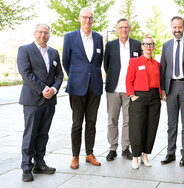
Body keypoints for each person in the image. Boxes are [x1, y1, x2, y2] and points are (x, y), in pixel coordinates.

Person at [17, 24, 64, 182]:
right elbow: (26, 73)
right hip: (33, 99)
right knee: (30, 134)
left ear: (49, 35)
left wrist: (54, 90)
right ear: (34, 33)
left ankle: (39, 163)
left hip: (50, 101)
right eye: (40, 32)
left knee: (44, 133)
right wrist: (44, 89)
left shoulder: (54, 52)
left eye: (46, 32)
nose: (43, 35)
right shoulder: (25, 50)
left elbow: (59, 75)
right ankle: (26, 167)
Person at [62, 7, 104, 169]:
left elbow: (97, 62)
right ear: (79, 19)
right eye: (85, 17)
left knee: (91, 123)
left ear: (93, 20)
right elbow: (66, 61)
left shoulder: (99, 38)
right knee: (77, 123)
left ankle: (89, 153)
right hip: (77, 86)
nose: (88, 20)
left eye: (90, 18)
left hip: (95, 86)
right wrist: (76, 76)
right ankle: (75, 156)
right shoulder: (70, 37)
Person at [160, 16, 184, 166]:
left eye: (179, 27)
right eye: (174, 27)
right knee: (171, 124)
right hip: (170, 88)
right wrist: (163, 89)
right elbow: (163, 68)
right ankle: (170, 153)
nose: (177, 30)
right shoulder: (166, 45)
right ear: (171, 27)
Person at [104, 18, 142, 161]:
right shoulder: (110, 45)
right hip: (113, 89)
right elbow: (106, 66)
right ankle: (112, 148)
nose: (124, 30)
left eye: (126, 27)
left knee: (128, 120)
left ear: (129, 28)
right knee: (112, 119)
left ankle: (126, 148)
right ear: (117, 29)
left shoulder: (137, 45)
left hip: (130, 90)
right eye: (121, 27)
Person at [126, 34, 161, 170]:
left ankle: (145, 155)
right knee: (137, 128)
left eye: (151, 44)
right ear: (142, 46)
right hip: (139, 98)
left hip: (154, 98)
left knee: (151, 127)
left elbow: (160, 81)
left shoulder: (157, 64)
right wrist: (132, 95)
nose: (148, 46)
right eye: (146, 44)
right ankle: (135, 156)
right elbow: (129, 80)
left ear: (153, 47)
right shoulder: (134, 62)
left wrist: (161, 92)